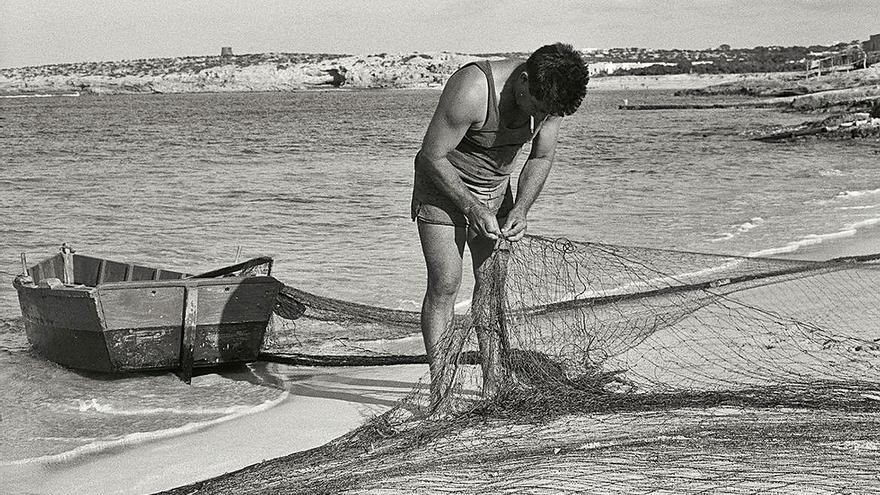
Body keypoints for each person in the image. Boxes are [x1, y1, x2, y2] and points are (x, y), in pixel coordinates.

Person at [410, 42, 590, 404]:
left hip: (495, 191)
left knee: (491, 287)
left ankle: (495, 383)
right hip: (442, 186)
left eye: (550, 113)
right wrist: (473, 209)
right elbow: (432, 155)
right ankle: (441, 389)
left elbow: (541, 157)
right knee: (445, 282)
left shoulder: (550, 98)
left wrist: (521, 208)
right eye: (539, 108)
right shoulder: (473, 89)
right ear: (523, 81)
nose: (542, 117)